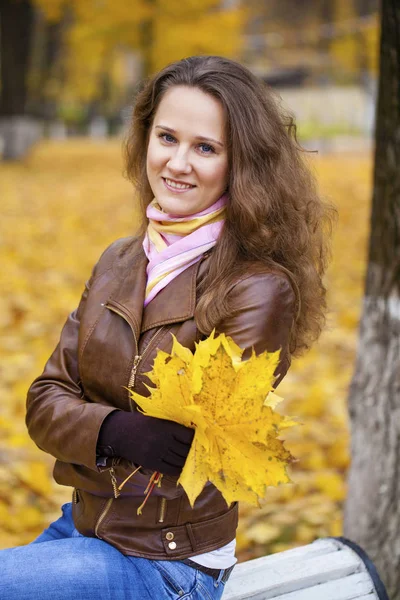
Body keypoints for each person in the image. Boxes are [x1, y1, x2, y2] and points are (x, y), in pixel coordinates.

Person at [0, 55, 335, 599]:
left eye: (205, 148)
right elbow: (43, 401)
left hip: (170, 564)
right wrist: (118, 431)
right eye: (167, 137)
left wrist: (88, 423)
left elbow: (191, 447)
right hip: (85, 525)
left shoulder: (256, 288)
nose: (178, 162)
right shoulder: (118, 261)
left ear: (240, 163)